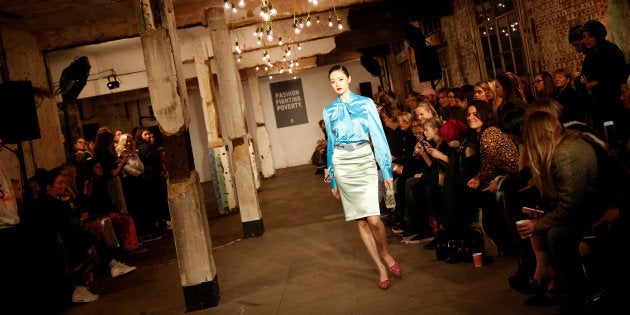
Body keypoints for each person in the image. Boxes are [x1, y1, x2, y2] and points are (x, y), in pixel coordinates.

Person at [323, 65, 400, 290]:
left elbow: (378, 136)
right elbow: (330, 145)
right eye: (332, 81)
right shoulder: (328, 110)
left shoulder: (366, 104)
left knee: (374, 219)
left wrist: (386, 171)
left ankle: (385, 253)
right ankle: (380, 267)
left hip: (364, 160)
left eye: (340, 78)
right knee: (361, 220)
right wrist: (333, 180)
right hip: (342, 165)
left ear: (348, 78)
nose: (337, 83)